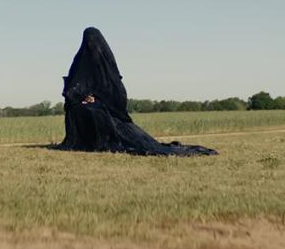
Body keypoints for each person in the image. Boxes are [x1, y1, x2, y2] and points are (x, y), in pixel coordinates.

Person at [54, 27, 217, 156]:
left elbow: (115, 92)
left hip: (105, 105)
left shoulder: (106, 64)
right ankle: (87, 141)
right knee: (82, 110)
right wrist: (81, 96)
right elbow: (72, 87)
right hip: (81, 104)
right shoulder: (80, 61)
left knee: (100, 113)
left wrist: (97, 98)